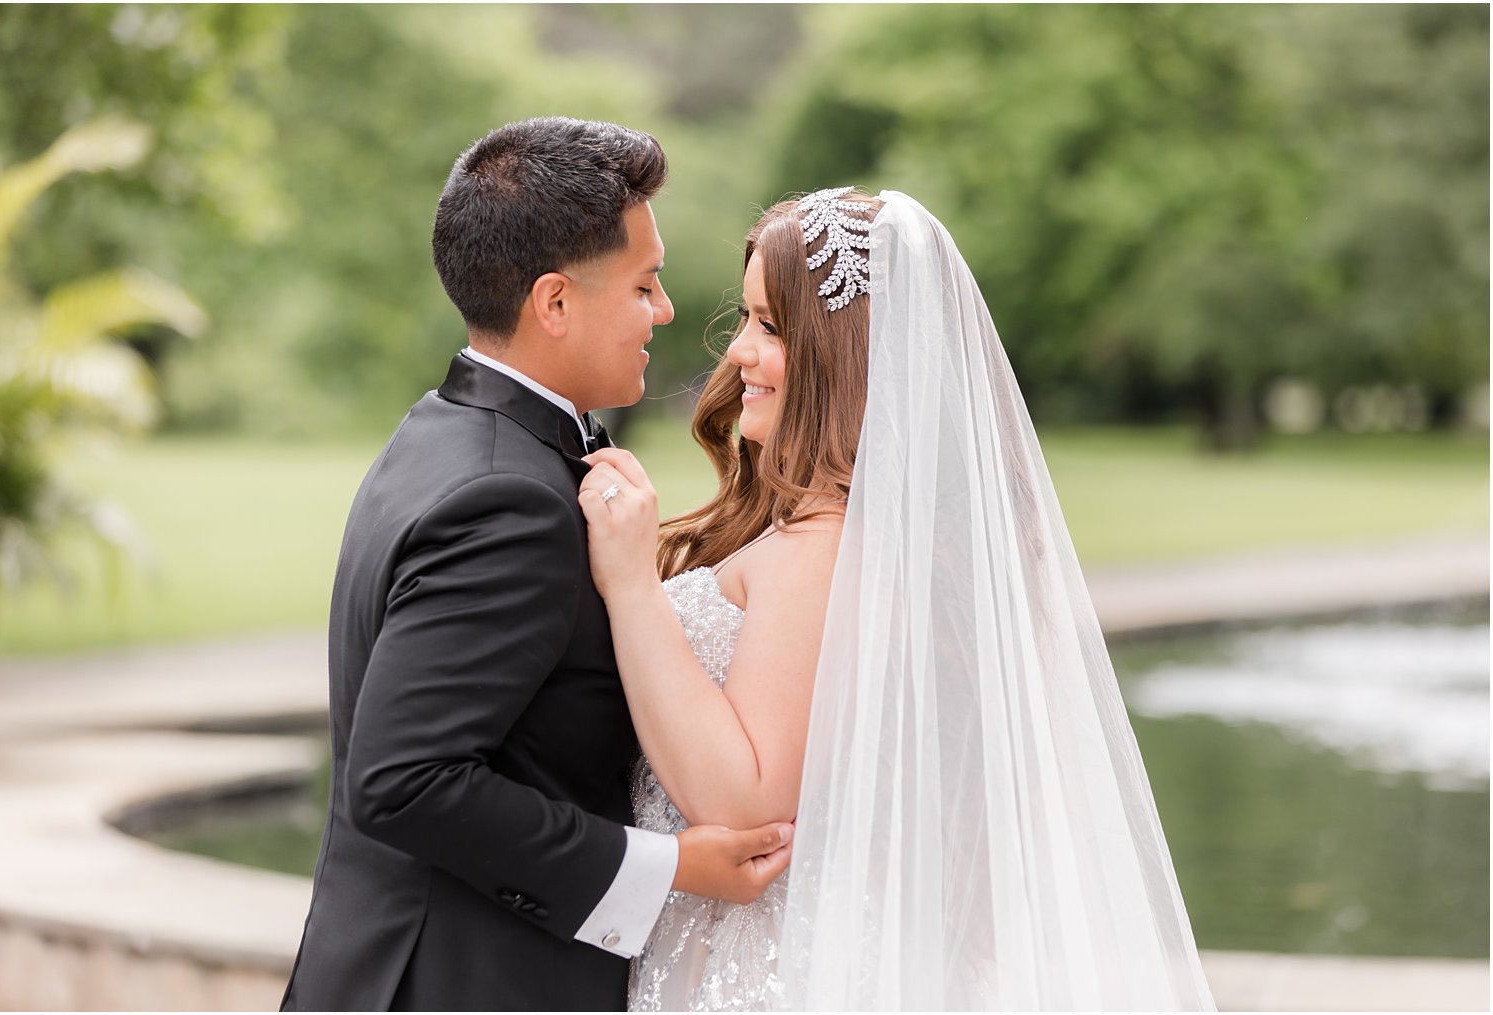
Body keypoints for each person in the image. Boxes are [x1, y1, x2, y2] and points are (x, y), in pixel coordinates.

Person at [578, 188, 1216, 1010]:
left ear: (845, 354)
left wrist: (631, 585)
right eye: (745, 319)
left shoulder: (824, 545)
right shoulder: (855, 538)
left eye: (771, 326)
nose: (738, 352)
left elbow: (746, 803)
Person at [281, 117, 793, 1013]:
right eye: (645, 283)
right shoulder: (507, 499)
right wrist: (671, 867)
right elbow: (403, 780)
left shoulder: (440, 432)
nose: (667, 309)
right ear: (555, 303)